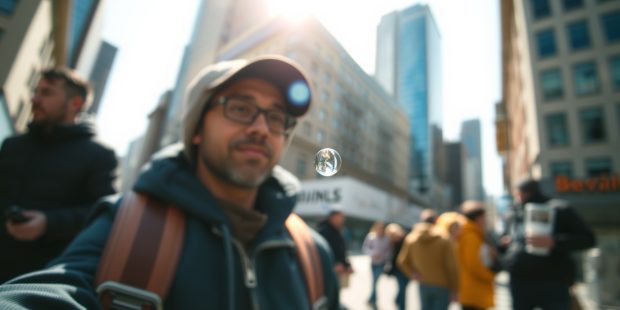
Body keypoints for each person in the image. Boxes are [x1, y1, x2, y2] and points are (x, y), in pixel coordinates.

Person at [0, 55, 340, 309]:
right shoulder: (128, 227)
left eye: (276, 117)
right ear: (196, 131)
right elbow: (50, 292)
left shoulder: (313, 252)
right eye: (240, 108)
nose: (261, 128)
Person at [0, 68, 117, 283]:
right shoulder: (11, 145)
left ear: (76, 103)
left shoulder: (99, 156)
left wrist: (49, 223)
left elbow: (102, 214)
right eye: (36, 91)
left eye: (46, 93)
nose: (35, 98)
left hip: (36, 281)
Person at [500, 178, 596, 310]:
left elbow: (588, 239)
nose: (517, 198)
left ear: (525, 193)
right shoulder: (513, 213)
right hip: (521, 281)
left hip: (553, 281)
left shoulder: (559, 209)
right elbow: (503, 240)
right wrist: (507, 244)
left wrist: (554, 241)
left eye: (519, 194)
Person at [397, 209, 459, 310]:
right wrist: (455, 289)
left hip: (423, 282)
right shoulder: (445, 238)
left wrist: (412, 274)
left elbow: (402, 261)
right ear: (436, 221)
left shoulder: (411, 238)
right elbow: (451, 266)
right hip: (442, 284)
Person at [457, 201, 496, 310]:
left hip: (472, 290)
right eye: (484, 217)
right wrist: (490, 276)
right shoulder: (471, 236)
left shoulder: (472, 233)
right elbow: (474, 264)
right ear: (478, 218)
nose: (485, 221)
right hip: (473, 291)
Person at [317, 207, 353, 289]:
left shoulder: (338, 231)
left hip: (338, 271)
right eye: (340, 217)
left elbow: (341, 251)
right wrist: (333, 264)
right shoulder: (324, 231)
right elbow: (320, 252)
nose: (342, 220)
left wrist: (347, 265)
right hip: (327, 271)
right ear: (332, 217)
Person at [362, 220, 391, 307]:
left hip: (382, 263)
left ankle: (372, 299)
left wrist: (382, 256)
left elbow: (389, 252)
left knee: (375, 281)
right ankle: (372, 299)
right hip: (373, 263)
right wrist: (372, 253)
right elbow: (365, 248)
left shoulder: (387, 239)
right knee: (374, 282)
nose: (380, 231)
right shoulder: (371, 237)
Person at [384, 223, 409, 310]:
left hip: (407, 269)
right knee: (402, 289)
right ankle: (401, 306)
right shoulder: (392, 242)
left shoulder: (407, 240)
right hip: (398, 270)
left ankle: (398, 301)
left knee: (403, 288)